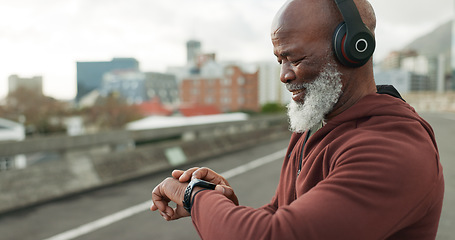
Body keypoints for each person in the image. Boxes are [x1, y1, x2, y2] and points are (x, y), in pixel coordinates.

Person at [150, 0, 445, 239]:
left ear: (354, 48)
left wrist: (195, 196)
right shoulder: (313, 125)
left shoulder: (391, 150)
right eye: (280, 61)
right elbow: (280, 211)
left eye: (295, 59)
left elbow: (274, 235)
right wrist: (223, 204)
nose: (284, 75)